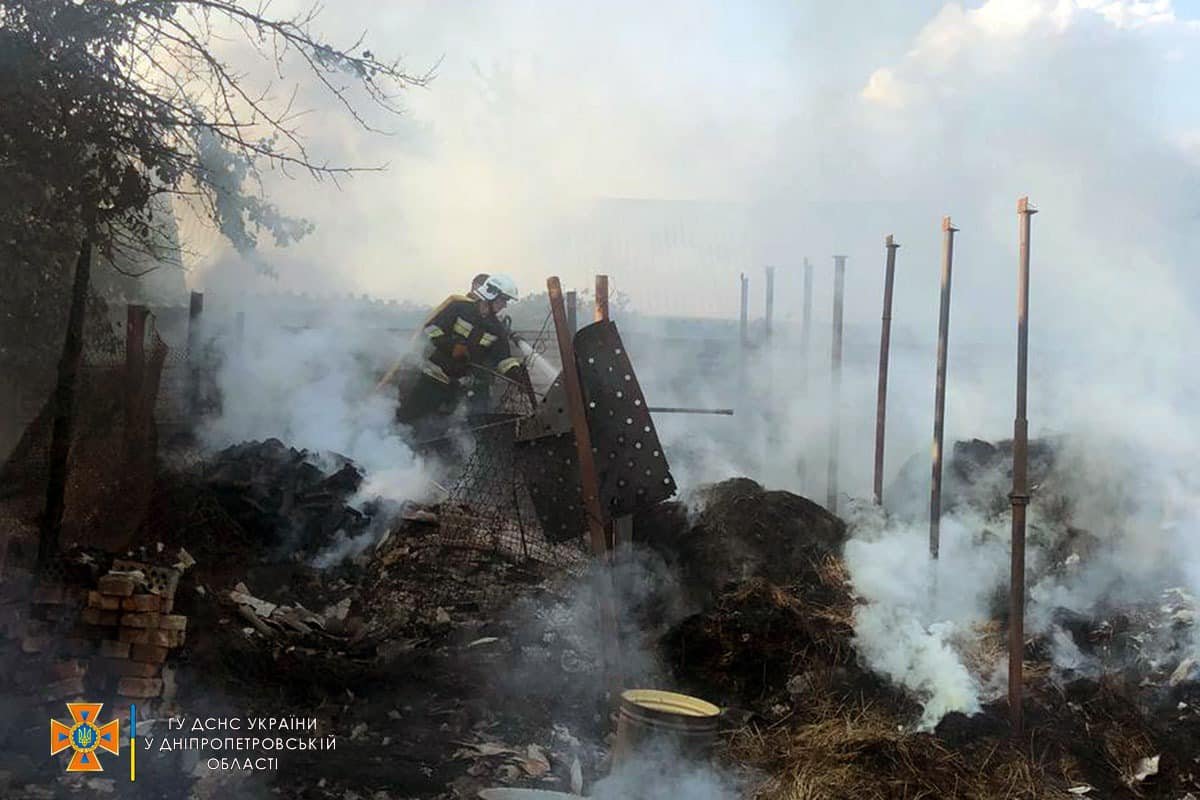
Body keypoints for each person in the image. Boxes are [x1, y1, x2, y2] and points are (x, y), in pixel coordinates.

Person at [395, 273, 533, 438]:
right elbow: (431, 328)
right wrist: (451, 346)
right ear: (491, 295)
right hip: (435, 376)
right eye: (503, 300)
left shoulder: (496, 328)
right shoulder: (458, 308)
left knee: (458, 425)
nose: (504, 305)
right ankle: (391, 440)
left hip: (461, 385)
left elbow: (503, 358)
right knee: (411, 415)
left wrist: (515, 373)